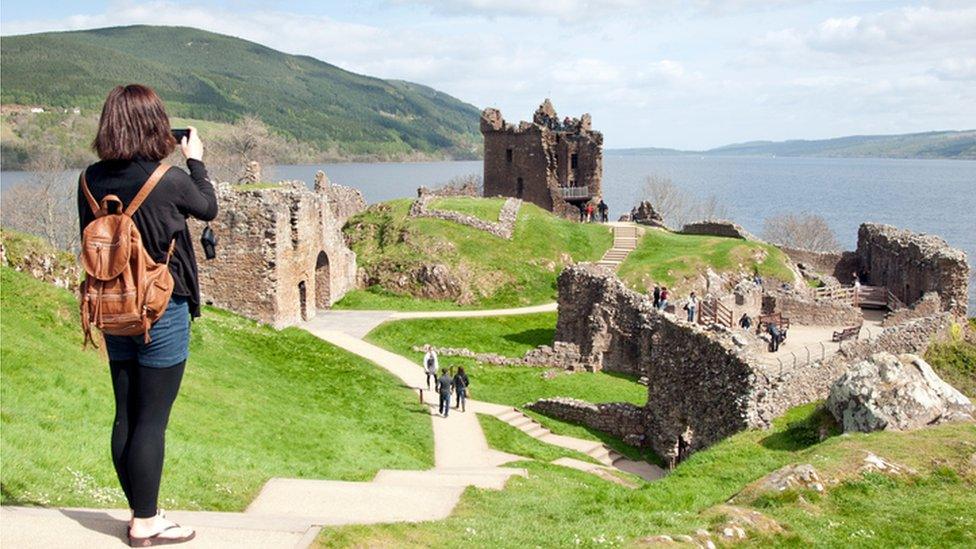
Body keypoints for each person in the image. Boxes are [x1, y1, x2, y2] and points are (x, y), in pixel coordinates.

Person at [78, 84, 217, 546]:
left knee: (126, 414)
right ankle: (146, 521)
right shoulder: (168, 179)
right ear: (155, 125)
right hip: (160, 308)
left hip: (113, 307)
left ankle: (142, 510)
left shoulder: (89, 181)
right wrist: (194, 159)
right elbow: (208, 208)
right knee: (152, 419)